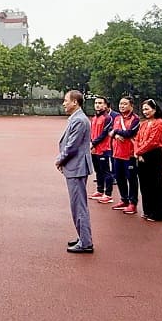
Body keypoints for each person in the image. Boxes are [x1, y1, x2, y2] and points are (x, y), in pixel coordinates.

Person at [55, 90, 94, 254]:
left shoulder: (79, 120)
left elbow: (72, 146)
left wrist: (60, 159)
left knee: (78, 206)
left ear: (75, 102)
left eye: (66, 101)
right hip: (75, 166)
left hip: (76, 167)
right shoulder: (77, 118)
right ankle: (83, 237)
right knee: (77, 205)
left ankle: (85, 242)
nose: (64, 103)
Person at [133, 99, 162, 222]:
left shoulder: (159, 123)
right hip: (141, 156)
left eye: (147, 109)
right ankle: (147, 210)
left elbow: (153, 141)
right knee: (144, 184)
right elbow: (137, 139)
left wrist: (139, 152)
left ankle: (157, 213)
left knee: (155, 184)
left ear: (155, 109)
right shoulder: (144, 123)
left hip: (153, 155)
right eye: (143, 109)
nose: (145, 112)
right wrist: (137, 152)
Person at [110, 96, 140, 215]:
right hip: (117, 154)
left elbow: (129, 133)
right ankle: (124, 199)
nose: (122, 106)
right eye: (120, 104)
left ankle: (133, 203)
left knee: (131, 179)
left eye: (125, 104)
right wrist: (115, 134)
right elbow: (111, 132)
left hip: (129, 155)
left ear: (131, 106)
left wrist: (116, 132)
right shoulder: (117, 118)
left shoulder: (135, 119)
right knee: (119, 177)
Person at [89, 96, 115, 204]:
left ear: (105, 105)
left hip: (104, 149)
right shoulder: (94, 118)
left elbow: (104, 134)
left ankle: (108, 194)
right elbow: (91, 133)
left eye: (100, 103)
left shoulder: (108, 118)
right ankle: (100, 190)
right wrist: (92, 145)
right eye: (96, 103)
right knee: (98, 170)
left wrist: (93, 143)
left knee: (106, 172)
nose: (97, 105)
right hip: (95, 149)